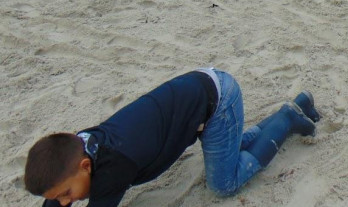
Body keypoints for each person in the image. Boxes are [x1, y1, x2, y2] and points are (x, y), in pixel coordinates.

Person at [23, 69, 320, 207]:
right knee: (230, 148)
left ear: (86, 167)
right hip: (197, 90)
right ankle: (298, 105)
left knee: (223, 184)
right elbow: (58, 184)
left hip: (218, 101)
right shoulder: (80, 145)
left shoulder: (113, 169)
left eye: (66, 195)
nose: (65, 203)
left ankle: (288, 120)